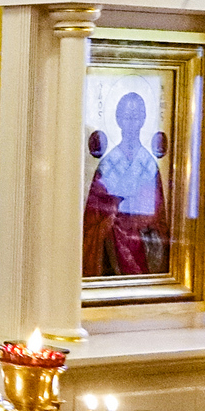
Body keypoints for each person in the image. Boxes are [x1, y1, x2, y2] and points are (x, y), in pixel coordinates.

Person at [84, 90, 167, 275]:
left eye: (136, 117)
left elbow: (159, 218)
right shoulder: (107, 163)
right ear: (118, 119)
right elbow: (92, 217)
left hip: (143, 245)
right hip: (110, 248)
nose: (131, 123)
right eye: (127, 117)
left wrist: (141, 220)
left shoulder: (148, 163)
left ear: (144, 120)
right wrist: (113, 213)